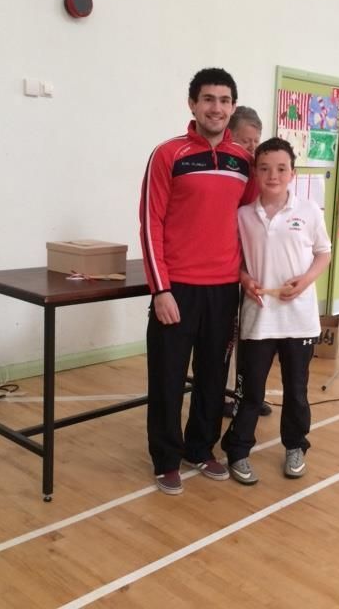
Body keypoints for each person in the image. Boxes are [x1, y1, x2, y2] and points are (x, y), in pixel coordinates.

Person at [139, 68, 258, 495]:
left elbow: (249, 220)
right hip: (177, 290)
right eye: (208, 99)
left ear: (232, 107)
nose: (216, 108)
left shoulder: (243, 162)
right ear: (192, 104)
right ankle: (166, 459)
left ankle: (200, 448)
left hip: (224, 291)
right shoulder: (168, 154)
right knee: (168, 379)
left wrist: (246, 275)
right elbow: (150, 222)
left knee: (212, 377)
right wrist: (161, 289)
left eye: (224, 101)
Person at [221, 137, 332, 485]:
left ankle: (295, 446)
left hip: (299, 321)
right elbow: (237, 261)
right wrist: (245, 280)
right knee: (250, 392)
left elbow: (323, 253)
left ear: (292, 173)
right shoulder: (243, 215)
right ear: (255, 173)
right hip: (258, 320)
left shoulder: (309, 211)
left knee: (296, 390)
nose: (273, 176)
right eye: (265, 168)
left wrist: (305, 281)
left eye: (281, 169)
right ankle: (238, 451)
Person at [223, 106, 273, 418]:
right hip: (228, 265)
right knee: (227, 337)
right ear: (229, 136)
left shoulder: (257, 171)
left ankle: (248, 394)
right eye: (245, 141)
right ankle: (224, 394)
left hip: (253, 264)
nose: (252, 148)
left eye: (256, 141)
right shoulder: (226, 170)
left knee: (252, 336)